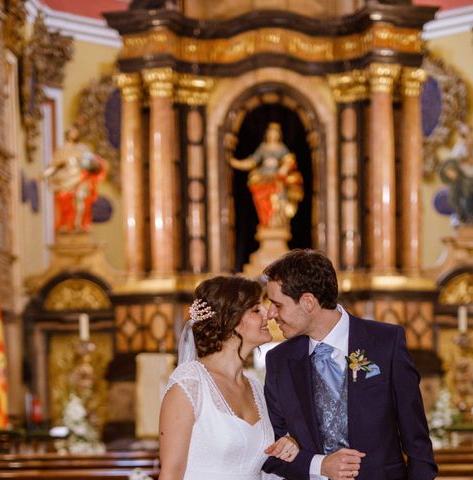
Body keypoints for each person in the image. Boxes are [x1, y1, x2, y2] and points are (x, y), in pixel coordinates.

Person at [261, 250, 437, 480]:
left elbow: (417, 442)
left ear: (308, 302)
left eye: (277, 304)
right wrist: (319, 465)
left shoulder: (386, 343)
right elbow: (270, 447)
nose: (271, 314)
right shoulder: (280, 360)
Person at [159, 275, 300, 480]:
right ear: (231, 319)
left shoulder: (256, 388)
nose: (268, 315)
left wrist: (290, 444)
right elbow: (170, 474)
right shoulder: (189, 384)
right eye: (255, 309)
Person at [229, 123, 303, 228]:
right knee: (262, 199)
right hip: (264, 178)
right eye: (270, 133)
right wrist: (237, 163)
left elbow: (289, 161)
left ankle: (278, 222)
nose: (273, 135)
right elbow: (252, 161)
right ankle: (267, 222)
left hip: (277, 179)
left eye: (275, 133)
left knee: (279, 199)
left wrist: (284, 168)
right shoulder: (263, 148)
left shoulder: (281, 148)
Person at [43, 126, 106, 232]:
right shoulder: (62, 150)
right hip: (66, 179)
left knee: (81, 201)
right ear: (67, 135)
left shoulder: (82, 149)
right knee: (65, 204)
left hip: (81, 178)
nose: (74, 134)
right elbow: (54, 166)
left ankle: (79, 224)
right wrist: (44, 174)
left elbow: (92, 162)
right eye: (71, 132)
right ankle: (66, 224)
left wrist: (95, 166)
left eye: (75, 132)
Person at [439, 122, 473, 225]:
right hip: (464, 179)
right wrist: (463, 160)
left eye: (469, 133)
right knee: (462, 193)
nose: (468, 137)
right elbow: (452, 162)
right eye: (465, 135)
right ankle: (466, 216)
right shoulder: (459, 148)